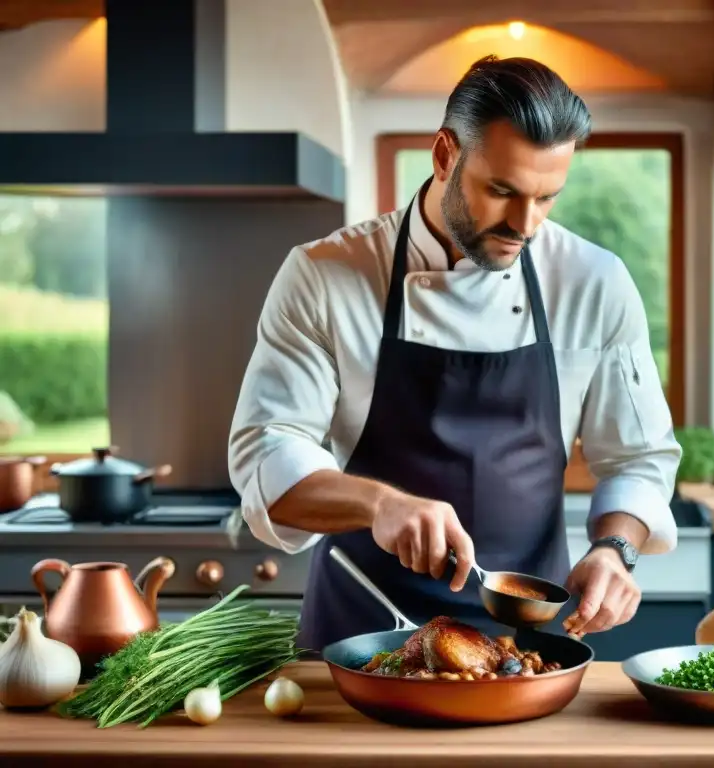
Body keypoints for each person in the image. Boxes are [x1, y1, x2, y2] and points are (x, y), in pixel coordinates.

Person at [227, 55, 682, 654]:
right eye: (502, 191)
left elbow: (638, 459)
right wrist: (380, 502)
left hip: (525, 644)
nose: (525, 224)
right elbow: (266, 455)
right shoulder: (326, 275)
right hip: (362, 637)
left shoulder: (594, 282)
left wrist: (614, 550)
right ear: (444, 154)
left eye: (547, 198)